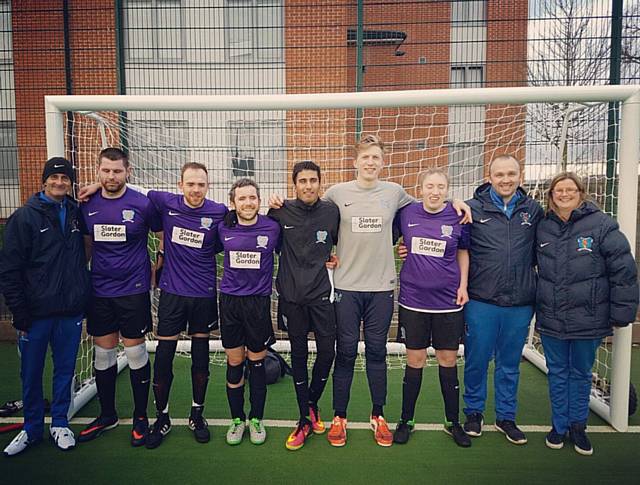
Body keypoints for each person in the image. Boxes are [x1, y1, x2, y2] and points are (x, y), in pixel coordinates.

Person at [270, 134, 471, 447]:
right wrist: (278, 202)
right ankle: (339, 417)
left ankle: (378, 415)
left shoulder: (395, 193)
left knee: (377, 353)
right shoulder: (337, 193)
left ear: (382, 162)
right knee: (346, 353)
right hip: (347, 288)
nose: (370, 162)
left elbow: (428, 205)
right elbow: (309, 212)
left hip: (381, 289)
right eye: (365, 157)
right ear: (356, 162)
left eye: (376, 158)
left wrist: (456, 202)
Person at [79, 161, 228, 449]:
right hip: (171, 293)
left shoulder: (219, 211)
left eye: (201, 184)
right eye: (190, 183)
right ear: (180, 185)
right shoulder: (164, 201)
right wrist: (100, 184)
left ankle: (198, 414)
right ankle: (162, 417)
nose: (195, 189)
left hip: (204, 295)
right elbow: (129, 188)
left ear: (208, 186)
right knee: (163, 358)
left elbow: (240, 227)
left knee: (200, 360)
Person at [536, 172, 638, 455]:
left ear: (581, 193)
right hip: (552, 317)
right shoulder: (543, 227)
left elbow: (624, 271)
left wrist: (622, 312)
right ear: (551, 195)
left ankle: (578, 428)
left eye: (570, 189)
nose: (564, 194)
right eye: (559, 190)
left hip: (589, 318)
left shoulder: (602, 225)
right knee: (557, 373)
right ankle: (558, 427)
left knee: (580, 373)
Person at [1, 157, 90, 456]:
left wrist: (81, 296)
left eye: (65, 179)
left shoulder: (76, 213)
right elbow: (10, 269)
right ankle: (31, 428)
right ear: (44, 181)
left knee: (65, 370)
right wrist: (19, 310)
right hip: (35, 314)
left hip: (69, 310)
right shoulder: (24, 217)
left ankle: (61, 423)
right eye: (54, 178)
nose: (60, 183)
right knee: (31, 372)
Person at [76, 148, 161, 447]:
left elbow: (161, 233)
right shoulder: (87, 204)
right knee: (103, 353)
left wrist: (157, 266)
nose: (111, 176)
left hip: (134, 290)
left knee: (136, 352)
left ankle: (140, 417)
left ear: (129, 172)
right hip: (99, 290)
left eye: (117, 171)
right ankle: (107, 414)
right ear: (98, 171)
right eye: (106, 171)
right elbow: (87, 245)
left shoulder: (142, 204)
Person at [462, 154, 543, 445]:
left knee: (510, 363)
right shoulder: (471, 208)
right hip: (481, 299)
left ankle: (506, 417)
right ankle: (473, 412)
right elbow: (447, 236)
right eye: (500, 175)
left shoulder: (533, 211)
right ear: (489, 176)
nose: (505, 180)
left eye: (511, 174)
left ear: (519, 176)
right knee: (477, 360)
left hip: (520, 301)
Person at [392, 168, 471, 448]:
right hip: (413, 301)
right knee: (415, 362)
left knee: (448, 362)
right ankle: (406, 420)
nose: (435, 191)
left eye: (440, 186)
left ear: (447, 190)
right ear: (421, 188)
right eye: (429, 186)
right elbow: (395, 242)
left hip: (448, 302)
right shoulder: (407, 213)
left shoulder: (458, 215)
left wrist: (463, 286)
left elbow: (463, 252)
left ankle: (453, 422)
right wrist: (402, 248)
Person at [267, 161, 339, 450]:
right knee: (298, 354)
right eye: (302, 181)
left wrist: (338, 258)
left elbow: (345, 244)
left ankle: (311, 402)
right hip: (292, 298)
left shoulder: (332, 212)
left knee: (327, 352)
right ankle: (303, 419)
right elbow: (256, 235)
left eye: (313, 180)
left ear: (320, 183)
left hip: (322, 295)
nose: (308, 185)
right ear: (294, 184)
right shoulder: (279, 211)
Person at [218, 178, 280, 446]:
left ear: (259, 200)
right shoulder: (223, 227)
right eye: (242, 198)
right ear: (233, 202)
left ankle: (256, 419)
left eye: (252, 197)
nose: (247, 203)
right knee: (234, 363)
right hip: (230, 302)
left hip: (258, 303)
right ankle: (236, 420)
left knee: (256, 364)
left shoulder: (272, 227)